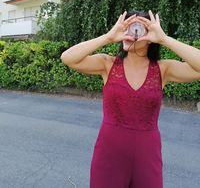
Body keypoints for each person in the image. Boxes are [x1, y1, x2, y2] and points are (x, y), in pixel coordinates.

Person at [60, 10, 200, 188]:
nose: (129, 33)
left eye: (136, 28)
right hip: (109, 151)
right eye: (126, 27)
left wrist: (164, 39)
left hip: (147, 153)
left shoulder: (163, 69)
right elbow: (68, 58)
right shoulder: (107, 64)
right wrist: (108, 37)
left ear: (149, 37)